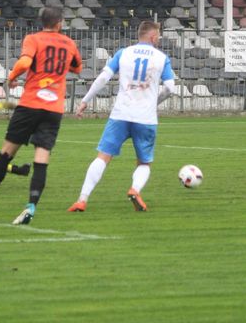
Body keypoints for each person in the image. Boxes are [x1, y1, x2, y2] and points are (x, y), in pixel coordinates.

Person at [0, 7, 82, 225]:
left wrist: (12, 77)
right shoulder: (69, 43)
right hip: (54, 109)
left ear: (42, 22)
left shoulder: (33, 39)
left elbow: (25, 63)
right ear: (59, 23)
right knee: (42, 158)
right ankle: (31, 206)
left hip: (30, 104)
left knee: (6, 154)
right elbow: (77, 68)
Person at [67, 20, 175, 213]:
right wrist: (154, 102)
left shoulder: (123, 53)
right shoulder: (161, 58)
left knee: (103, 157)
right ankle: (135, 189)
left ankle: (82, 199)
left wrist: (85, 100)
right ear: (152, 37)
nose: (158, 39)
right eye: (158, 36)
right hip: (145, 117)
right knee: (144, 162)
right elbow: (170, 88)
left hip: (120, 114)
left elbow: (103, 78)